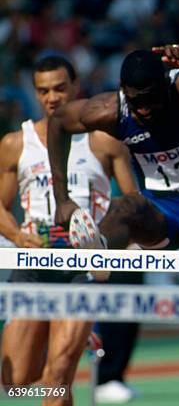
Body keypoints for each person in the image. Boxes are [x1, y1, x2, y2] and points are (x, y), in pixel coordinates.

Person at [47, 44, 179, 405]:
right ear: (124, 92)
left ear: (164, 86)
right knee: (126, 206)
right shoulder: (111, 110)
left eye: (151, 99)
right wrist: (63, 198)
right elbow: (59, 122)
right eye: (135, 100)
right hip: (160, 216)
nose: (142, 107)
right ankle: (101, 257)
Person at [0, 55, 137, 405]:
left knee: (57, 377)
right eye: (44, 91)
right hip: (33, 267)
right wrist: (17, 237)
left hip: (83, 267)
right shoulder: (16, 144)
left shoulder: (103, 141)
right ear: (35, 93)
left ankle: (73, 339)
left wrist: (113, 244)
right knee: (15, 380)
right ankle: (71, 340)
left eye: (60, 88)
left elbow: (133, 202)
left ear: (75, 87)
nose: (52, 97)